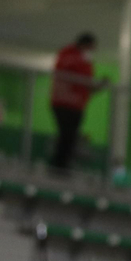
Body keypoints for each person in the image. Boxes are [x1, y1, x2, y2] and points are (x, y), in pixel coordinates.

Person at [49, 32, 105, 171]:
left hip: (76, 105)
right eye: (91, 47)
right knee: (67, 135)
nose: (92, 51)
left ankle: (62, 165)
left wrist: (98, 86)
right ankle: (59, 166)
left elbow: (86, 85)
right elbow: (76, 79)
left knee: (70, 136)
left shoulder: (84, 61)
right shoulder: (69, 56)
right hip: (64, 103)